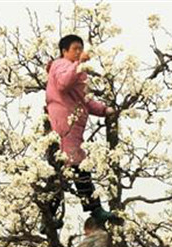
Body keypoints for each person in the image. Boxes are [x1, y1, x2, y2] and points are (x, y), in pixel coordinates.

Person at [45, 34, 122, 225]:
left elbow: (85, 101)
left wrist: (105, 110)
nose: (79, 52)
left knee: (65, 169)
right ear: (64, 51)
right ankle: (93, 209)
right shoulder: (60, 65)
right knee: (76, 166)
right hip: (64, 124)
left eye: (80, 48)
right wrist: (79, 63)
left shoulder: (78, 70)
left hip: (74, 125)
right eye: (75, 49)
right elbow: (63, 83)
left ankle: (48, 216)